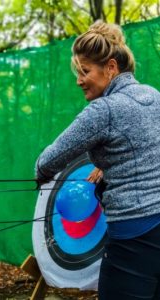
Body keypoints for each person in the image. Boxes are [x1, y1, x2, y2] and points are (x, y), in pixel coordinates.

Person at [35, 20, 160, 300]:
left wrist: (40, 175)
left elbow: (47, 163)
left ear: (112, 68)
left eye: (85, 71)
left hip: (134, 236)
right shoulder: (154, 95)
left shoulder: (103, 110)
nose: (79, 80)